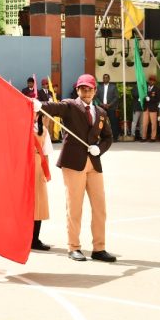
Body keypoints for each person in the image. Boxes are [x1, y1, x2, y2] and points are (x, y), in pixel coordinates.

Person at [36, 74, 116, 262]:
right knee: (74, 207)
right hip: (73, 163)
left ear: (95, 91)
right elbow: (54, 107)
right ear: (78, 90)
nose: (86, 92)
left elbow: (108, 137)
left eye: (90, 89)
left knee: (99, 207)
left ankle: (99, 248)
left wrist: (100, 149)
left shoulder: (101, 113)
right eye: (83, 89)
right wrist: (38, 105)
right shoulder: (71, 105)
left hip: (94, 164)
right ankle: (74, 247)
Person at [32, 114, 53, 251]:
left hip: (38, 168)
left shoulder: (43, 130)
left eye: (36, 112)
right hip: (22, 167)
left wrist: (46, 172)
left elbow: (46, 153)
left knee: (38, 204)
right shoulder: (19, 127)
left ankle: (35, 239)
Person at [98, 74, 119, 140]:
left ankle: (115, 137)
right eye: (104, 78)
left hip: (111, 107)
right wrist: (101, 104)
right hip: (101, 108)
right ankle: (101, 137)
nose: (105, 79)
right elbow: (96, 97)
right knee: (101, 122)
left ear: (109, 79)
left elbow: (116, 97)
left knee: (113, 122)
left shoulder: (113, 87)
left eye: (106, 78)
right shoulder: (99, 87)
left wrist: (109, 105)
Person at [140, 75, 160, 142]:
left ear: (154, 82)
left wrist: (150, 99)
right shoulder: (145, 88)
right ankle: (144, 137)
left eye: (153, 80)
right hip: (146, 108)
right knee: (144, 123)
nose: (151, 81)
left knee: (153, 123)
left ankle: (153, 137)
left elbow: (157, 99)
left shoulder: (157, 89)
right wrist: (142, 99)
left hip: (153, 108)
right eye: (150, 80)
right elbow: (143, 96)